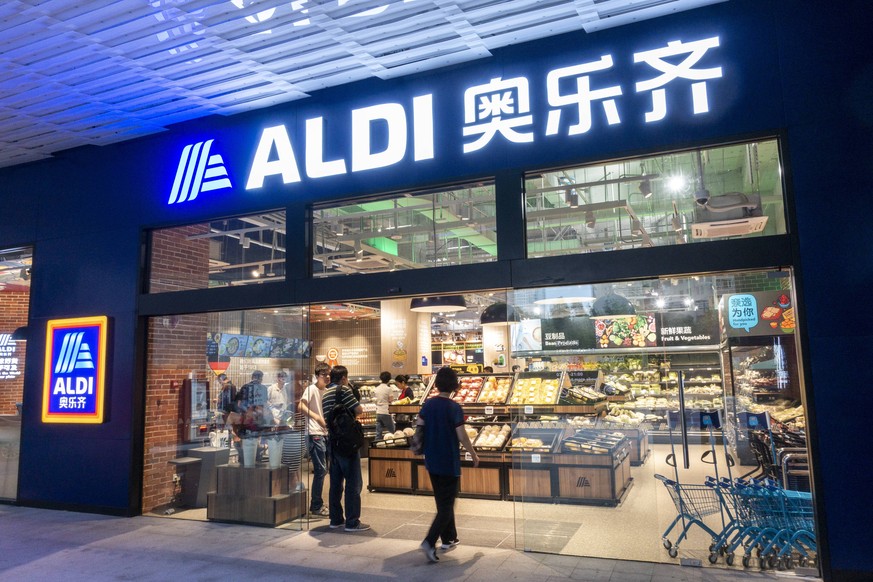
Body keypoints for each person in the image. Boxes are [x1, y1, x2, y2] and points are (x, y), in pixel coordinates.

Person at [417, 367, 479, 562]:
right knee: (447, 504)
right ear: (454, 385)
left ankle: (448, 538)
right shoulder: (453, 407)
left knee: (442, 500)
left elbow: (419, 427)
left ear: (436, 384)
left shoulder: (427, 405)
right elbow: (462, 435)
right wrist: (473, 454)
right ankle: (429, 541)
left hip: (431, 459)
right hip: (448, 460)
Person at [322, 365, 369, 532]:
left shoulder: (325, 393)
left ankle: (335, 519)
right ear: (343, 378)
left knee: (335, 483)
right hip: (347, 443)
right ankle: (352, 521)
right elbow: (359, 410)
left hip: (332, 442)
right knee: (353, 482)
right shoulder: (344, 390)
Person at [299, 363, 331, 517]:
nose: (327, 376)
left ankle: (318, 503)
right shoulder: (311, 389)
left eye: (329, 374)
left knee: (323, 470)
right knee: (320, 470)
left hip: (324, 433)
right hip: (314, 433)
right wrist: (317, 417)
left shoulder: (326, 391)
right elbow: (301, 406)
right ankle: (316, 505)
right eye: (324, 374)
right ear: (317, 375)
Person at [373, 371, 399, 440]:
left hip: (378, 412)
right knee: (393, 431)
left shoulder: (376, 388)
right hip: (385, 412)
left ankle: (376, 447)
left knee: (378, 433)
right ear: (389, 379)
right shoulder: (388, 389)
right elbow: (390, 400)